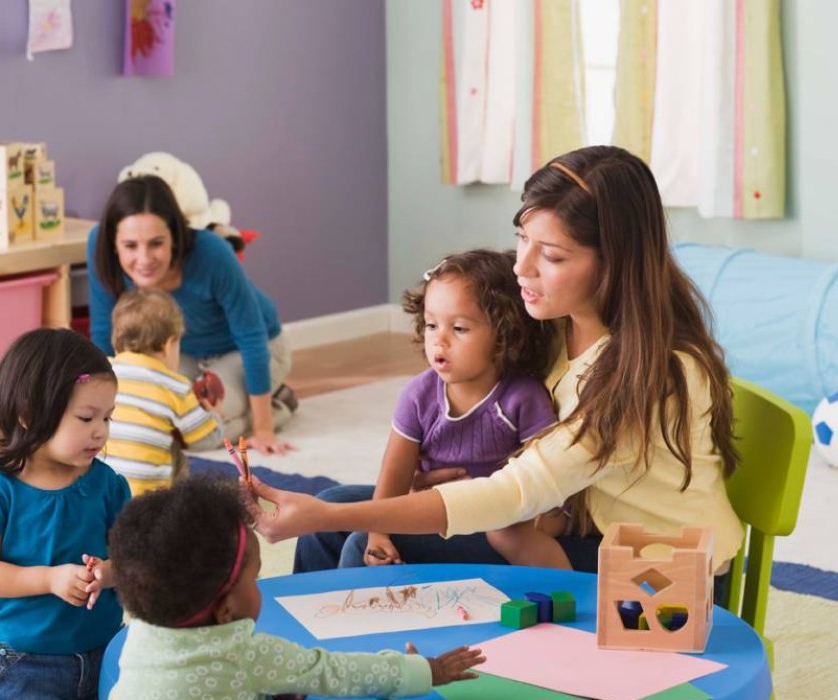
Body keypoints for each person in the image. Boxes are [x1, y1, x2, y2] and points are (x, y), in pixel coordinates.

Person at [252, 145, 745, 580]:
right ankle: (304, 675)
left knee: (357, 536)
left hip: (653, 571)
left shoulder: (654, 374)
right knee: (339, 508)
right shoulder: (552, 328)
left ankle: (366, 679)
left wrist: (327, 514)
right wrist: (396, 493)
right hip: (571, 523)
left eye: (550, 255)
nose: (521, 266)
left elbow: (516, 493)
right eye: (522, 238)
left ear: (613, 264)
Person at [107, 475, 485, 700]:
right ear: (226, 611)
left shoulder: (141, 633)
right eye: (252, 580)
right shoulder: (246, 655)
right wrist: (422, 669)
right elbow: (334, 671)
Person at [306, 249, 562, 571]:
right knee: (327, 507)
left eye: (459, 329)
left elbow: (550, 479)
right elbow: (395, 473)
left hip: (491, 519)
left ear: (504, 335)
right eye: (430, 325)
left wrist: (376, 536)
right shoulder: (419, 395)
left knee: (360, 546)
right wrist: (378, 530)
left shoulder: (522, 398)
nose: (439, 340)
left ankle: (348, 619)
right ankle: (298, 610)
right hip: (431, 503)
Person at [0, 328, 132, 700]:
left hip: (108, 648)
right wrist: (50, 579)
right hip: (28, 662)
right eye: (86, 418)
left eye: (108, 418)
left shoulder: (108, 486)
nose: (100, 432)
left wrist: (109, 572)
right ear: (29, 415)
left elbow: (135, 556)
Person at [88, 174, 296, 455]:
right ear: (114, 242)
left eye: (156, 243)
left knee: (195, 426)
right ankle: (257, 400)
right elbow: (103, 335)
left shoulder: (212, 252)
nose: (144, 259)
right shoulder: (98, 247)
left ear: (175, 236)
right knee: (154, 419)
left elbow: (252, 337)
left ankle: (277, 407)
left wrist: (263, 430)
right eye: (131, 246)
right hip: (178, 353)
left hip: (250, 350)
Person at [104, 288, 224, 496]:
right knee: (176, 454)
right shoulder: (175, 386)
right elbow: (206, 441)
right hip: (148, 503)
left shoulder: (102, 373)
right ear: (169, 345)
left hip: (101, 497)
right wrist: (216, 416)